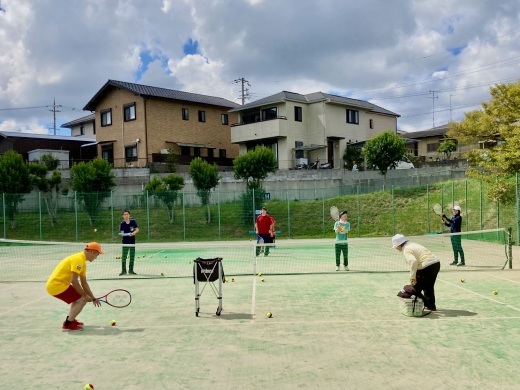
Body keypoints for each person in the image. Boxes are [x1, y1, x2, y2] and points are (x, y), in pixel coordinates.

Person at [46, 242, 103, 331]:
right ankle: (68, 324)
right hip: (56, 286)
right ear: (91, 252)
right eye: (97, 254)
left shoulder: (82, 262)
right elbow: (74, 281)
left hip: (60, 285)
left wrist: (92, 297)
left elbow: (84, 283)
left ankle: (70, 320)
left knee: (78, 299)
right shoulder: (78, 259)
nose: (96, 257)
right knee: (81, 299)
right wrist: (84, 296)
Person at [391, 234, 440, 311]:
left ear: (399, 245)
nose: (396, 248)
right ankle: (431, 306)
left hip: (426, 266)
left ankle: (415, 305)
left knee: (415, 288)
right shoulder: (412, 244)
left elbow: (413, 261)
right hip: (436, 263)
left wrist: (412, 277)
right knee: (428, 287)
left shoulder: (406, 250)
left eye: (396, 246)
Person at [119, 210, 140, 275]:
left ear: (129, 215)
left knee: (132, 257)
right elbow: (122, 233)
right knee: (124, 257)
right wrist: (127, 234)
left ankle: (131, 270)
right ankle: (123, 271)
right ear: (123, 216)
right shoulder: (122, 223)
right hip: (125, 243)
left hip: (132, 242)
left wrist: (133, 233)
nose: (126, 215)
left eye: (127, 214)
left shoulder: (133, 222)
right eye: (124, 214)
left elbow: (137, 229)